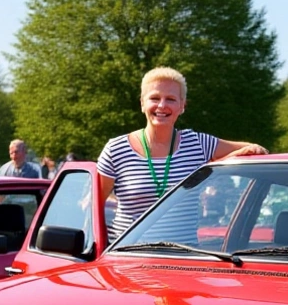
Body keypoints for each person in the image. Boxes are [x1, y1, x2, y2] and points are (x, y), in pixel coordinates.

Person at [97, 66, 268, 239]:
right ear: (142, 103)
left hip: (183, 253)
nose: (162, 105)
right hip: (129, 254)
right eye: (154, 98)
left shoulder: (198, 144)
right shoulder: (116, 149)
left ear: (182, 106)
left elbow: (255, 150)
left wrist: (231, 158)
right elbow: (94, 206)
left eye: (171, 99)